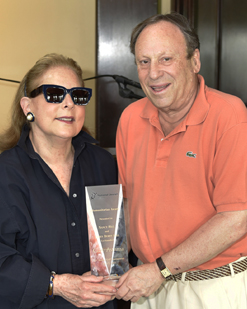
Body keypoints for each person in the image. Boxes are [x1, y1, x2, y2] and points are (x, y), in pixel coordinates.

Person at [115, 12, 247, 309]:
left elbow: (236, 219)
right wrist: (113, 265)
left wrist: (160, 268)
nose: (153, 74)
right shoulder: (130, 118)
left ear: (195, 60)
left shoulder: (230, 116)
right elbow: (127, 202)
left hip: (211, 289)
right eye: (144, 61)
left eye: (166, 59)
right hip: (148, 286)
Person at [0, 53, 118, 308]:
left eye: (78, 95)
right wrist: (57, 284)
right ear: (27, 106)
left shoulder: (104, 164)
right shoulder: (5, 173)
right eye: (54, 94)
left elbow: (113, 245)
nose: (69, 104)